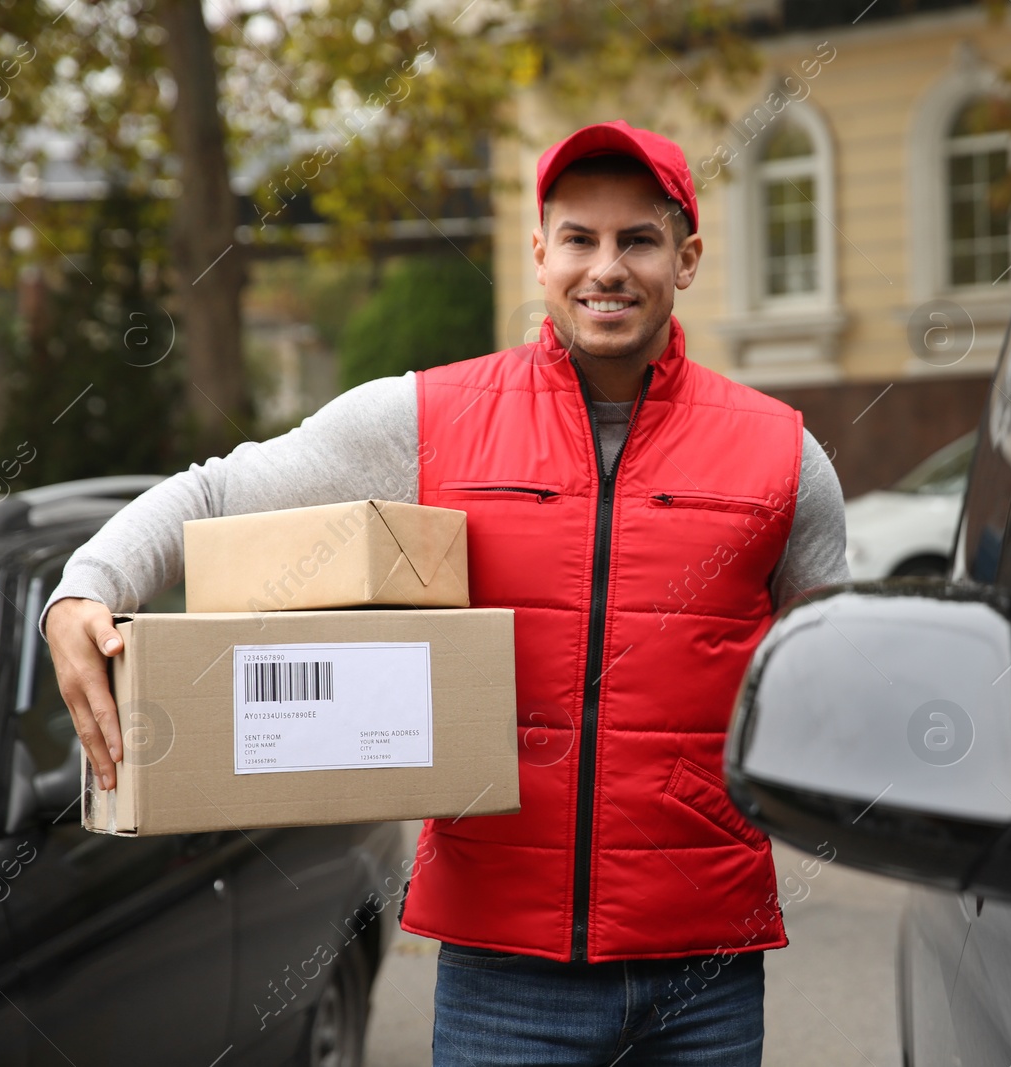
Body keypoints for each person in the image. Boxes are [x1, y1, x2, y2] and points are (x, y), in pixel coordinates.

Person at [42, 120, 850, 1065]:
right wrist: (82, 589)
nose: (608, 267)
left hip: (703, 977)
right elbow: (218, 489)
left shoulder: (781, 454)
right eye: (580, 239)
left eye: (639, 239)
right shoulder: (432, 417)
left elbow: (824, 676)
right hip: (503, 976)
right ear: (540, 252)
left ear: (688, 258)